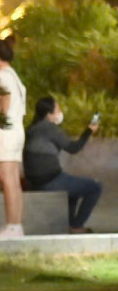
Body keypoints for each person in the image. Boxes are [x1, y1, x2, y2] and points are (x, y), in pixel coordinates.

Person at [25, 96, 103, 233]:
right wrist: (89, 130)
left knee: (75, 190)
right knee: (95, 187)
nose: (60, 112)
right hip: (50, 180)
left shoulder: (32, 129)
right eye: (58, 109)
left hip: (34, 180)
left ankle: (71, 225)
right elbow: (74, 148)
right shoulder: (48, 128)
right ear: (49, 114)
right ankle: (77, 226)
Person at [0, 37, 27, 236]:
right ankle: (16, 224)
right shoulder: (15, 78)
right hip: (17, 131)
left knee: (6, 179)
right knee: (13, 179)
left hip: (3, 133)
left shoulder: (1, 77)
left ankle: (12, 225)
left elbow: (0, 107)